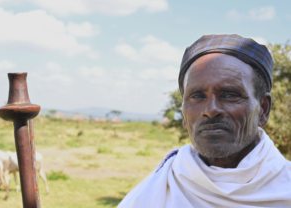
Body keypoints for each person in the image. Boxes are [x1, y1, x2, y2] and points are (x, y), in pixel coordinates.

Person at [118, 34, 291, 208]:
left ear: (263, 109)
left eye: (229, 95)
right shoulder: (156, 191)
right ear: (184, 115)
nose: (210, 110)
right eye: (197, 96)